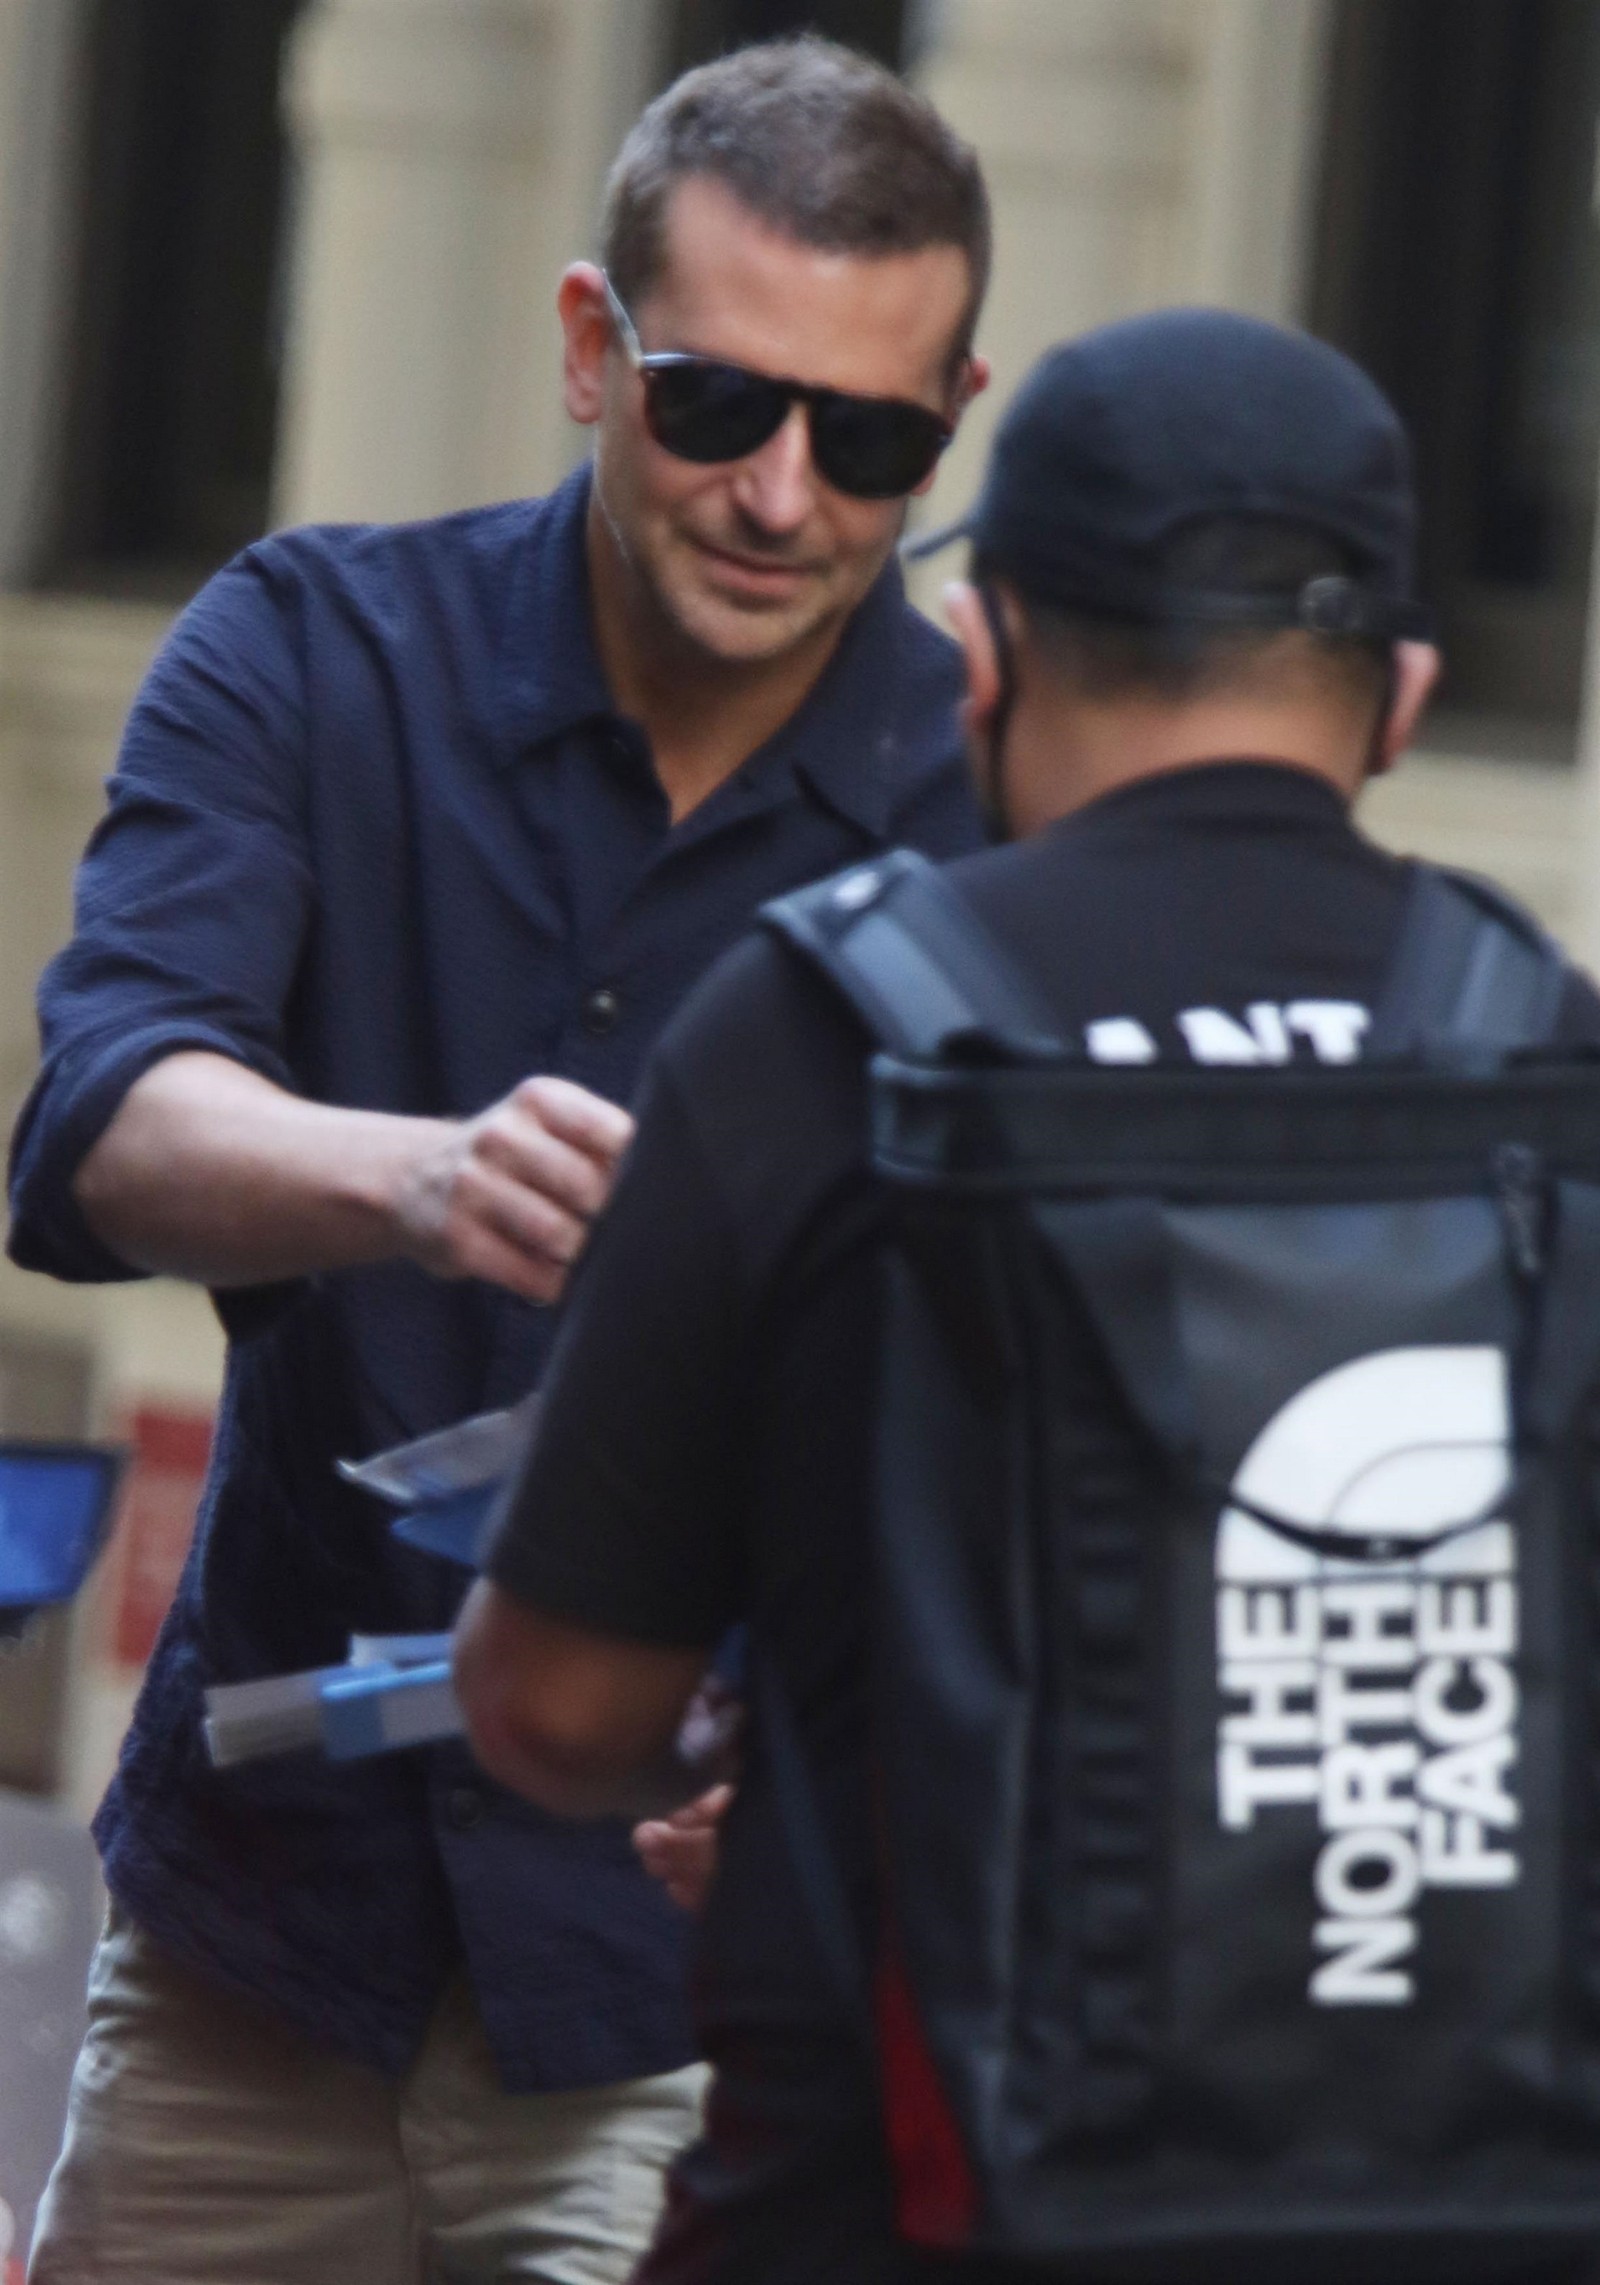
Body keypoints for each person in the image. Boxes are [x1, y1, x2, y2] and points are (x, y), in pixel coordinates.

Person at [453, 307, 1600, 2285]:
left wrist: (800, 1737)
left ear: (981, 651)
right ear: (1400, 698)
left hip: (887, 2223)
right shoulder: (1541, 1048)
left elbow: (555, 1707)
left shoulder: (820, 1031)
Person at [8, 37, 990, 2285]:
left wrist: (858, 1766)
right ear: (586, 347)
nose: (783, 496)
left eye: (869, 440)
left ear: (953, 415)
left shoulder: (994, 806)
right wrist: (416, 1179)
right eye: (719, 405)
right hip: (263, 1949)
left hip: (690, 2009)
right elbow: (103, 1115)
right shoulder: (311, 643)